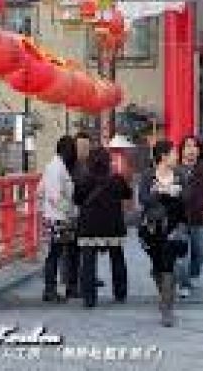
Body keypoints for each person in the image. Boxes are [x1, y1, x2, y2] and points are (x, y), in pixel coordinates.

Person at [138, 140, 188, 327]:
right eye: (174, 153)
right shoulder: (148, 176)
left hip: (173, 228)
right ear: (163, 156)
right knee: (157, 264)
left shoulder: (180, 175)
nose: (177, 156)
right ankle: (164, 294)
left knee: (168, 265)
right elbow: (143, 199)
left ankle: (167, 308)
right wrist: (159, 193)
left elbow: (187, 197)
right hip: (151, 228)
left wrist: (175, 193)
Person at [74, 147, 133, 307]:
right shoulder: (117, 180)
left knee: (88, 261)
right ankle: (120, 293)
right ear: (108, 162)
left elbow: (77, 200)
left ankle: (89, 298)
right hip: (112, 225)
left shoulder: (83, 180)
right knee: (117, 258)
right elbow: (128, 194)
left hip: (89, 226)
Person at [176, 135, 203, 297]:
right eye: (187, 146)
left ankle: (194, 274)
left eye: (194, 146)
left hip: (201, 217)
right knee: (182, 255)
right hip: (179, 218)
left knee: (200, 252)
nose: (191, 150)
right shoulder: (175, 169)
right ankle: (184, 283)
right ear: (182, 150)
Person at [41, 135, 80, 302]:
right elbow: (54, 196)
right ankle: (50, 289)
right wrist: (70, 211)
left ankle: (63, 287)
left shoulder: (55, 166)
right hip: (59, 217)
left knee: (63, 252)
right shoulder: (56, 168)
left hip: (57, 215)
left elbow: (40, 190)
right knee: (56, 253)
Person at [71, 131, 105, 289]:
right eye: (80, 146)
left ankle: (90, 276)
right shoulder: (69, 165)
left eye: (86, 146)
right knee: (72, 249)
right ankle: (72, 279)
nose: (83, 149)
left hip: (91, 213)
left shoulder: (92, 164)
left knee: (91, 247)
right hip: (73, 211)